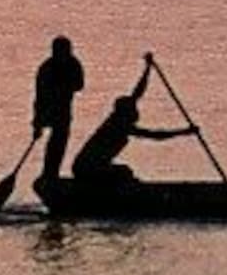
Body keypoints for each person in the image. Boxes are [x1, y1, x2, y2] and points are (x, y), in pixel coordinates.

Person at [72, 53, 199, 185]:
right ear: (126, 112)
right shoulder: (119, 126)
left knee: (124, 172)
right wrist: (184, 132)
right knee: (124, 174)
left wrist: (148, 68)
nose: (136, 111)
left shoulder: (118, 119)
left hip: (88, 167)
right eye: (133, 109)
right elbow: (155, 135)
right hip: (86, 169)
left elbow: (138, 92)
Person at [34, 36, 85, 182]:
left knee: (59, 141)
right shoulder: (46, 68)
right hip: (48, 109)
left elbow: (80, 85)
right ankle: (49, 173)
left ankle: (51, 173)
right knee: (55, 142)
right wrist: (37, 123)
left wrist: (64, 86)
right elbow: (39, 96)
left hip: (64, 110)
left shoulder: (73, 64)